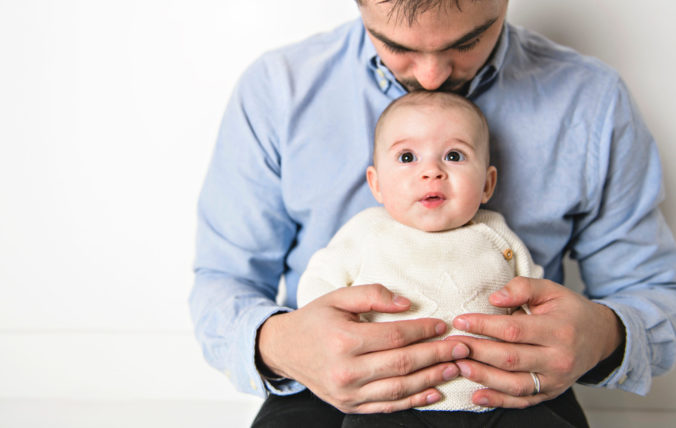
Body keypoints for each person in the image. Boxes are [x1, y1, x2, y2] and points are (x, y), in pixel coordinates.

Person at [189, 0, 676, 426]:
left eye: (467, 41)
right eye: (395, 45)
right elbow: (222, 281)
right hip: (330, 392)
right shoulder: (277, 90)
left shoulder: (592, 101)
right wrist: (281, 345)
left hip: (512, 392)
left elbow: (656, 291)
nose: (430, 77)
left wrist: (603, 335)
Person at [297, 90, 548, 414]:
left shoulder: (496, 234)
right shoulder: (365, 233)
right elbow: (319, 284)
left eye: (454, 156)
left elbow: (536, 295)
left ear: (487, 184)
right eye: (407, 157)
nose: (431, 171)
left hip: (495, 398)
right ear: (376, 184)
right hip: (388, 398)